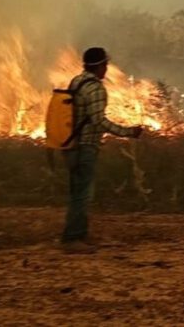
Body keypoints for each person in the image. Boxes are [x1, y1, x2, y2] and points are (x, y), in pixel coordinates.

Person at [61, 47, 144, 254]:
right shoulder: (96, 88)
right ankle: (73, 239)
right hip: (85, 146)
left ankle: (78, 233)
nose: (106, 68)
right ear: (98, 66)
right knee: (83, 194)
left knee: (77, 192)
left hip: (70, 145)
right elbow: (99, 122)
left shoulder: (76, 81)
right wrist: (127, 132)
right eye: (105, 64)